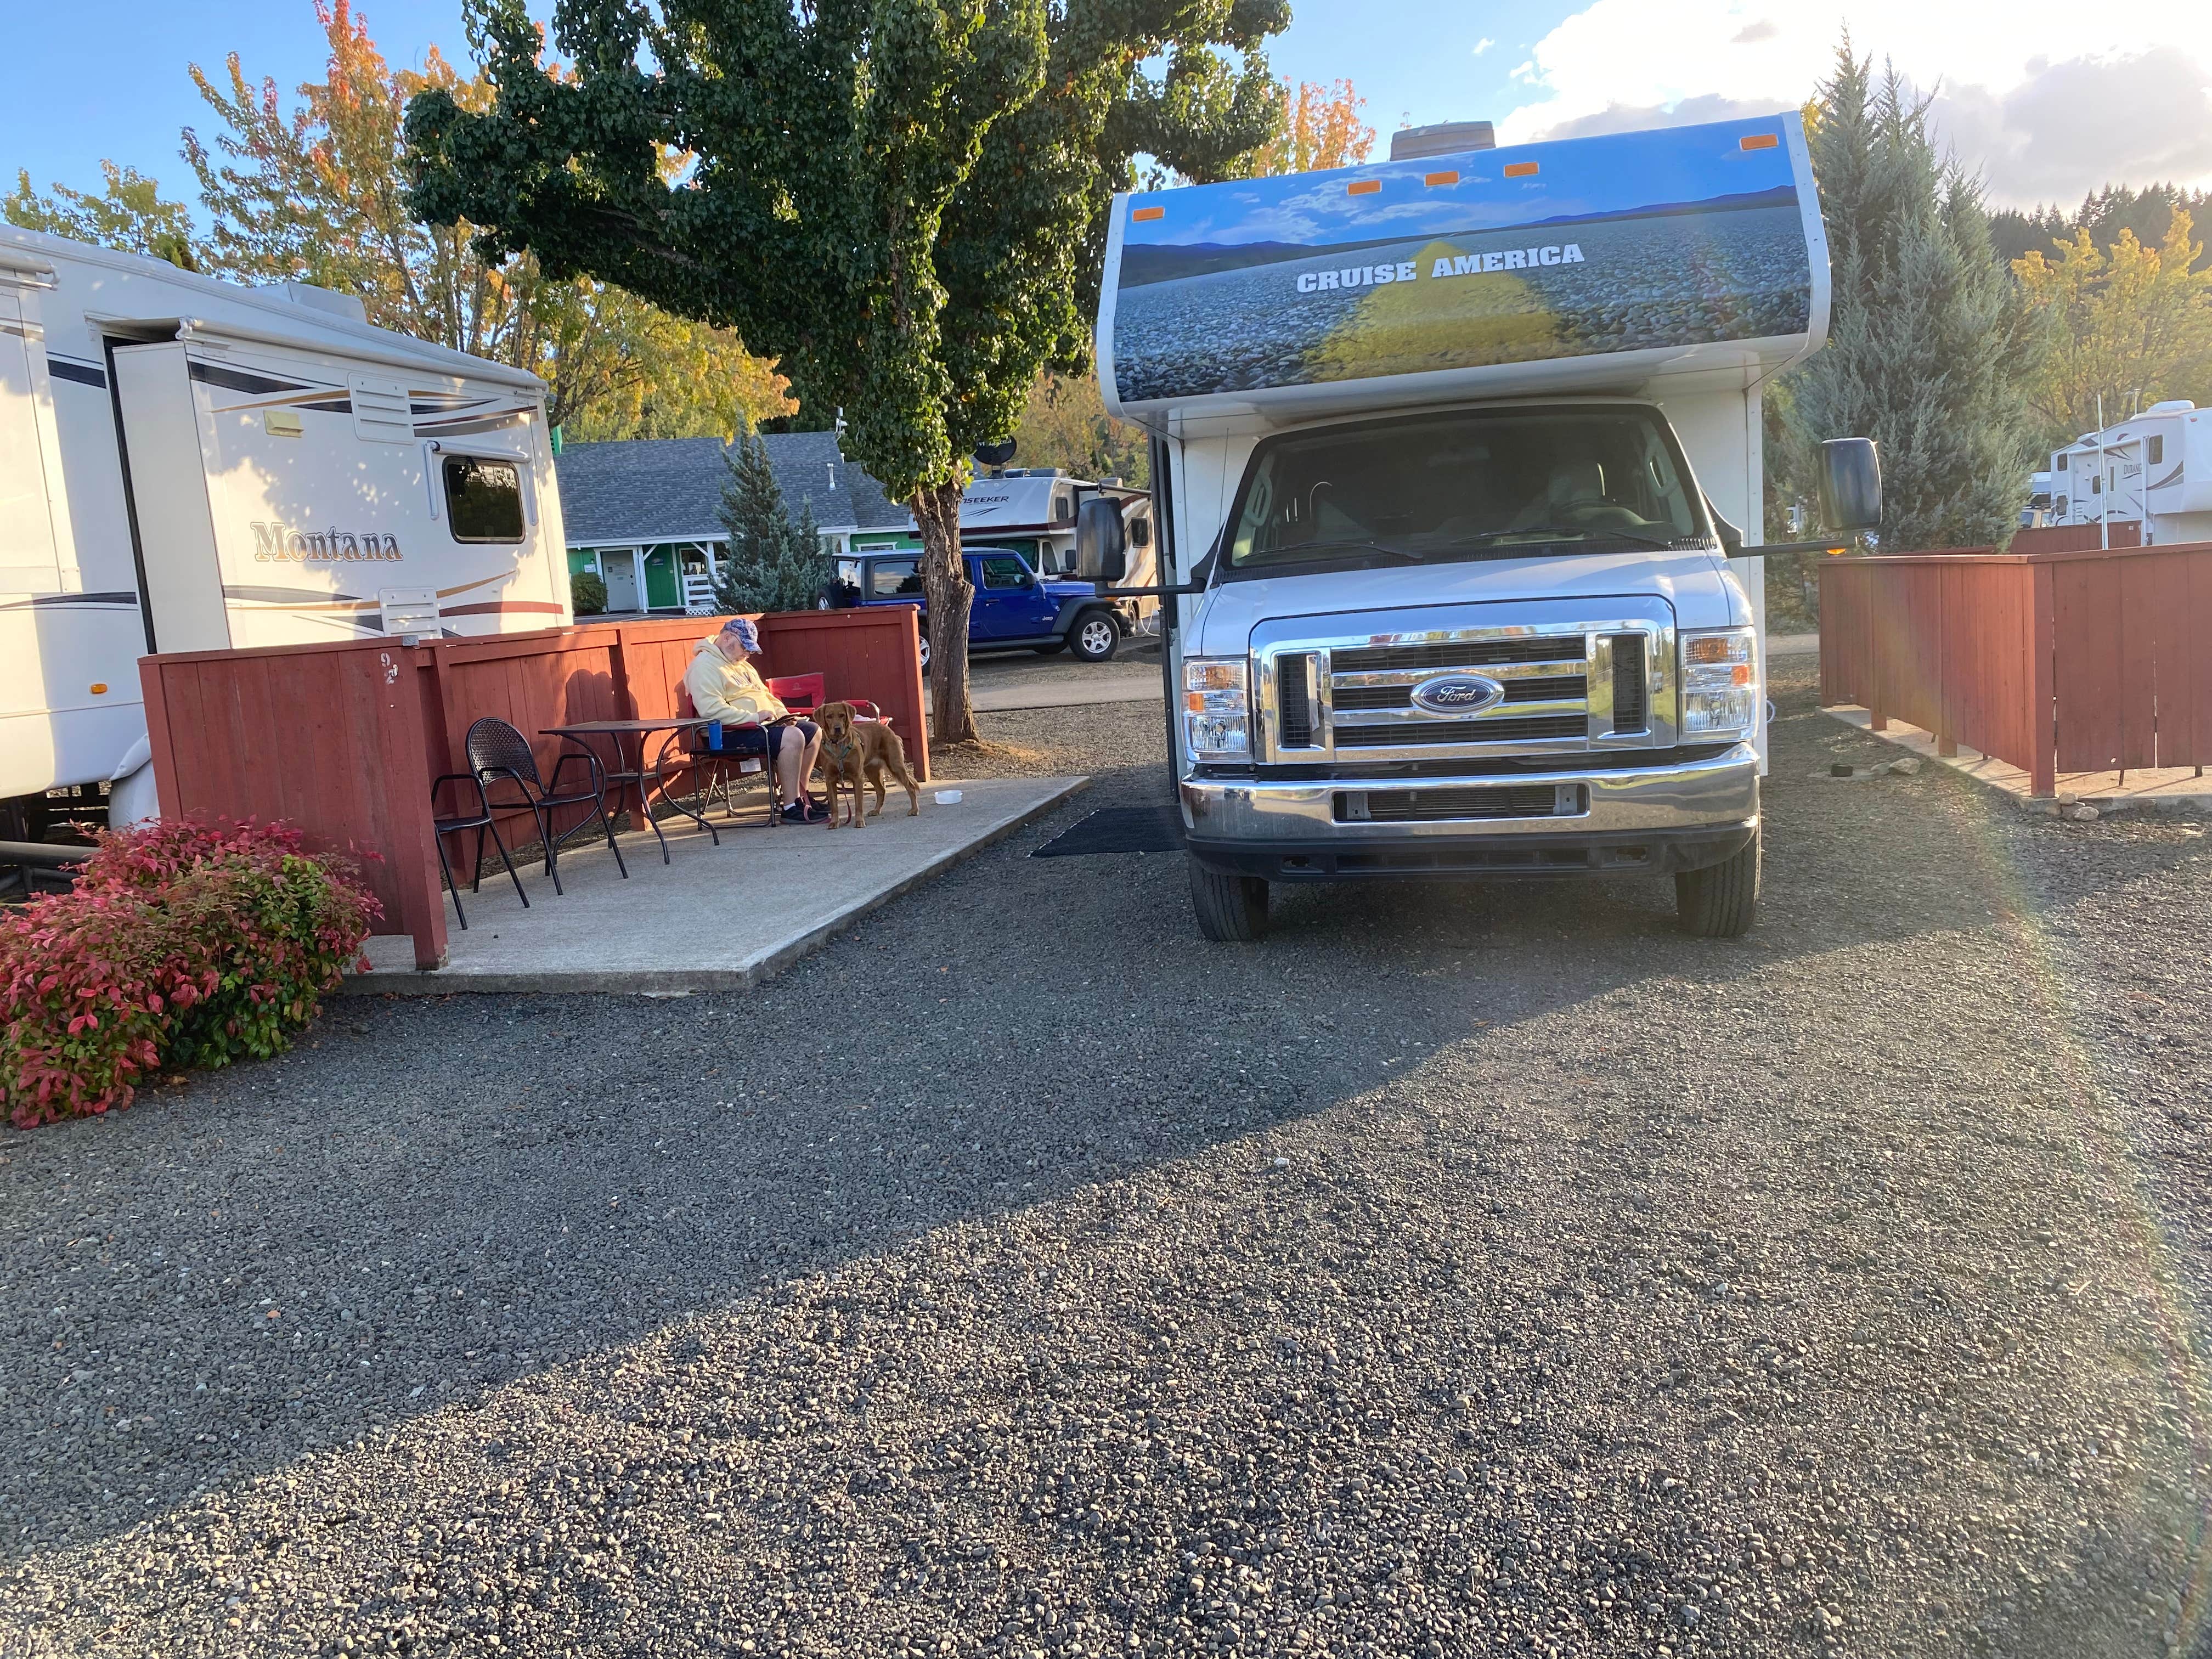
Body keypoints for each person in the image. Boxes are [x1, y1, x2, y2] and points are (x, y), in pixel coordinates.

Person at [684, 617, 827, 823]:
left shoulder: (743, 665)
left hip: (759, 726)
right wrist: (753, 718)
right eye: (745, 647)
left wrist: (783, 716)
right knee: (793, 737)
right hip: (729, 733)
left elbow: (767, 696)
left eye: (750, 650)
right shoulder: (704, 667)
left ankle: (800, 797)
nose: (747, 654)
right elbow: (711, 710)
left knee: (812, 731)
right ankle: (790, 807)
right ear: (727, 638)